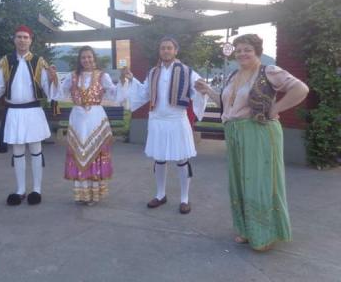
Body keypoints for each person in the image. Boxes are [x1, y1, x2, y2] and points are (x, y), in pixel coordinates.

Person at [195, 34, 309, 251]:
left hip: (259, 131)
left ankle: (265, 234)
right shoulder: (233, 76)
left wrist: (275, 109)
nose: (242, 53)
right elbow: (227, 103)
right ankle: (246, 229)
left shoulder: (269, 71)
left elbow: (301, 89)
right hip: (235, 132)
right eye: (238, 50)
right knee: (240, 181)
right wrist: (208, 91)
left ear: (256, 50)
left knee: (259, 181)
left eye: (247, 49)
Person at [0, 25, 55, 206]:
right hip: (14, 112)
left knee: (35, 150)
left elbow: (48, 88)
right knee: (17, 151)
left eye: (25, 37)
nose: (22, 40)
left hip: (33, 112)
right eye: (19, 37)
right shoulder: (6, 61)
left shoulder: (40, 62)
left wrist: (54, 78)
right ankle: (20, 190)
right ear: (14, 40)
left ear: (31, 40)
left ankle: (37, 190)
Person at [121, 36, 207, 214]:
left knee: (182, 160)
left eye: (169, 48)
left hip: (177, 119)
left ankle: (184, 198)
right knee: (159, 159)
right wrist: (132, 79)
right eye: (163, 48)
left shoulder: (188, 71)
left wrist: (201, 89)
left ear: (176, 51)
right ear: (160, 51)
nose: (166, 51)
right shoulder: (153, 72)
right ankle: (160, 194)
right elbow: (144, 92)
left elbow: (198, 89)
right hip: (157, 120)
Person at [49, 46, 123, 205]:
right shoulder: (73, 76)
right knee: (78, 153)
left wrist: (124, 80)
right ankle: (82, 193)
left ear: (94, 58)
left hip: (96, 116)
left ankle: (93, 194)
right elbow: (60, 93)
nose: (87, 60)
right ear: (79, 60)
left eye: (89, 57)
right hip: (77, 117)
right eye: (83, 57)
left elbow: (114, 93)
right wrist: (54, 78)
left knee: (95, 153)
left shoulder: (103, 76)